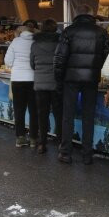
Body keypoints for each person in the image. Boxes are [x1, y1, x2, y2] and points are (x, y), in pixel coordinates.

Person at [54, 4, 109, 164]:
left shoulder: (68, 31)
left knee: (68, 116)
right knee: (88, 116)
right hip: (91, 79)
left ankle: (66, 152)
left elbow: (60, 58)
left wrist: (59, 79)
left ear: (76, 14)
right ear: (91, 15)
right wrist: (98, 71)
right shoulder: (101, 32)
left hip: (70, 79)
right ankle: (87, 154)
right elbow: (107, 58)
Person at [30, 19, 63, 155]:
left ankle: (42, 143)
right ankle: (61, 143)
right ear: (55, 29)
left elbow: (32, 64)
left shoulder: (35, 45)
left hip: (40, 84)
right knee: (58, 114)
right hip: (56, 84)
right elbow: (62, 63)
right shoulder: (60, 44)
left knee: (42, 114)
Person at [5, 22, 38, 148]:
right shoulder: (35, 42)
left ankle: (20, 138)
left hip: (17, 79)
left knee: (19, 110)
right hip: (33, 79)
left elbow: (8, 61)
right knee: (33, 110)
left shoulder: (15, 42)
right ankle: (34, 139)